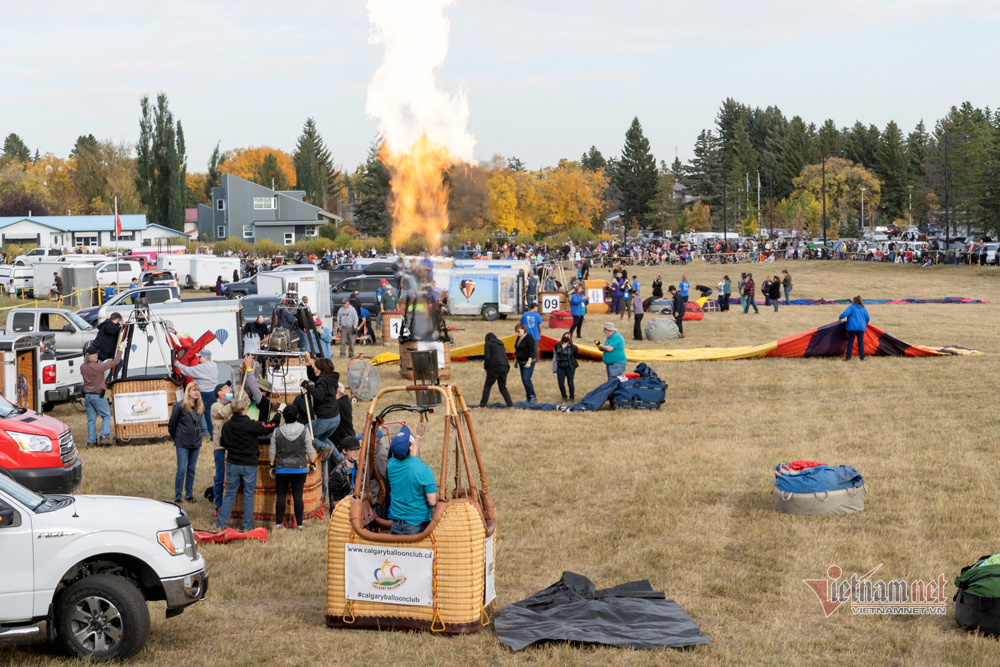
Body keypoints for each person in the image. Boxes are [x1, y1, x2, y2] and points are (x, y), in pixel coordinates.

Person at [217, 396, 277, 532]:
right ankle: (247, 526)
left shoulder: (227, 426)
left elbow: (223, 443)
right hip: (249, 464)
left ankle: (221, 524)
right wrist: (279, 415)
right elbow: (270, 426)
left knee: (230, 493)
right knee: (249, 495)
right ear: (244, 411)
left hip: (233, 463)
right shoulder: (251, 424)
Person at [269, 403, 315, 529]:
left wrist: (272, 465)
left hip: (282, 468)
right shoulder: (304, 430)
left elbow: (272, 451)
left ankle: (278, 524)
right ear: (297, 416)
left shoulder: (277, 431)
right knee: (298, 496)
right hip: (300, 468)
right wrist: (313, 462)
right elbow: (309, 448)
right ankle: (299, 524)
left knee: (281, 495)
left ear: (283, 416)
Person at [387, 423, 436, 535]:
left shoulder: (391, 465)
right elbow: (432, 501)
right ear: (410, 447)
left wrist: (418, 437)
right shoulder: (424, 470)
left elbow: (411, 460)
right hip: (417, 526)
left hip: (396, 524)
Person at [167, 382, 204, 503]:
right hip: (182, 442)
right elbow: (172, 424)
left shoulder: (200, 407)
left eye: (198, 390)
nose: (196, 392)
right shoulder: (180, 407)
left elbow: (198, 425)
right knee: (181, 469)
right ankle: (178, 496)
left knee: (191, 469)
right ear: (188, 392)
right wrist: (177, 437)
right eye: (194, 390)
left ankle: (189, 495)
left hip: (195, 442)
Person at [80, 344, 123, 447]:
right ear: (94, 356)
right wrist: (121, 349)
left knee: (91, 420)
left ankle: (91, 441)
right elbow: (115, 362)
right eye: (96, 354)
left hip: (88, 396)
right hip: (98, 395)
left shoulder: (83, 367)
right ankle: (104, 436)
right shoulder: (99, 367)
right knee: (106, 416)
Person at [174, 349, 219, 440]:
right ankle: (213, 436)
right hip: (213, 393)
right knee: (210, 415)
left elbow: (187, 371)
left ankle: (194, 435)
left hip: (203, 394)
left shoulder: (202, 368)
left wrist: (177, 364)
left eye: (200, 357)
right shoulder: (213, 365)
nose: (198, 358)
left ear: (205, 357)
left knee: (195, 414)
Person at [209, 380, 235, 511]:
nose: (230, 390)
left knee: (230, 476)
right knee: (220, 476)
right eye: (227, 389)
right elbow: (223, 413)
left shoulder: (230, 404)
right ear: (220, 393)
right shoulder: (215, 406)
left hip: (231, 446)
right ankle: (218, 505)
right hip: (220, 447)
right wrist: (234, 405)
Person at [480, 332, 513, 407]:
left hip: (495, 366)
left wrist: (485, 368)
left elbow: (487, 358)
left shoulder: (488, 344)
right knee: (502, 387)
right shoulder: (501, 344)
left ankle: (482, 405)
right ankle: (510, 404)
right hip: (505, 366)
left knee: (487, 385)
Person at [328, 436, 360, 505]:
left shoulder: (360, 469)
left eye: (358, 449)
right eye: (352, 450)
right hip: (344, 513)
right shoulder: (337, 473)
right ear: (344, 451)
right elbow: (336, 502)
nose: (356, 452)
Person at [839, 296, 870, 361]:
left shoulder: (851, 307)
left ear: (854, 301)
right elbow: (868, 318)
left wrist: (840, 317)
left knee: (850, 342)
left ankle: (848, 358)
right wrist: (864, 323)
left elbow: (845, 314)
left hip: (852, 327)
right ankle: (862, 357)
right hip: (861, 328)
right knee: (860, 342)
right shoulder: (863, 308)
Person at [514, 322, 537, 403]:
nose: (517, 333)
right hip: (521, 361)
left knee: (526, 379)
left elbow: (532, 350)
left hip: (529, 361)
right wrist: (516, 360)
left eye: (518, 331)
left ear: (523, 330)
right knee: (523, 380)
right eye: (516, 332)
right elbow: (517, 349)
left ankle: (532, 396)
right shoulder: (518, 338)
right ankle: (528, 397)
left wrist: (529, 361)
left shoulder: (529, 338)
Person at [553, 332, 578, 401]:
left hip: (569, 366)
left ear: (570, 338)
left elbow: (576, 355)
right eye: (565, 336)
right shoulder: (557, 345)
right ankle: (564, 396)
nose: (566, 337)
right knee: (560, 383)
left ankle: (571, 397)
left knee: (570, 382)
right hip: (560, 366)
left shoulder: (573, 347)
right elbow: (555, 354)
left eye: (568, 336)